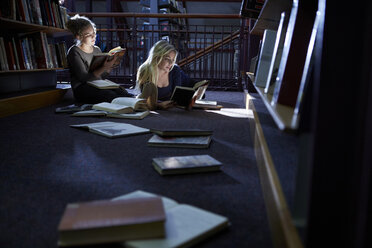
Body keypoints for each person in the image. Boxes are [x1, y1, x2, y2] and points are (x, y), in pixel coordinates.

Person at [66, 14, 132, 103]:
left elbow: (102, 76)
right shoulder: (74, 51)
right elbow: (84, 78)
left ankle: (143, 102)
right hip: (82, 88)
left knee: (123, 92)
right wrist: (104, 67)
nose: (93, 37)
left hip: (98, 84)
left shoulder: (96, 49)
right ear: (78, 36)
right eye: (89, 35)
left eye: (94, 33)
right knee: (110, 95)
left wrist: (109, 67)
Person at [136, 40, 196, 110]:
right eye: (167, 59)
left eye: (173, 60)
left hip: (185, 80)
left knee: (199, 92)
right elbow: (143, 100)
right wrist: (158, 105)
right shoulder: (145, 71)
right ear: (157, 57)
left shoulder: (174, 69)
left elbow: (176, 98)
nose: (171, 63)